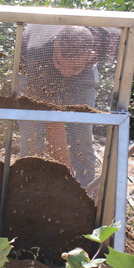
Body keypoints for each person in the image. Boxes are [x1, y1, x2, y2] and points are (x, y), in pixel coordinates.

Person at [18, 24, 118, 189]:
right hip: (35, 70)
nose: (65, 72)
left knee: (81, 135)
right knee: (32, 134)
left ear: (90, 55)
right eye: (60, 63)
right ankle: (27, 188)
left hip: (81, 75)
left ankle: (85, 192)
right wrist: (65, 177)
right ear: (55, 43)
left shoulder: (107, 37)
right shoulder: (37, 52)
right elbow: (52, 123)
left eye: (74, 67)